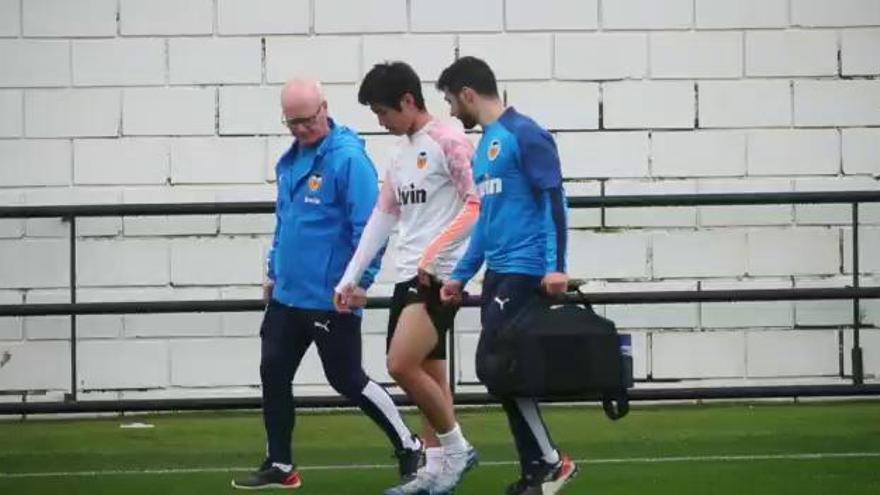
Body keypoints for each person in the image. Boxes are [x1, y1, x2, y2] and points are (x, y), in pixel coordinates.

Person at [232, 78, 422, 490]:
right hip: (288, 295)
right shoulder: (291, 160)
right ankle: (280, 464)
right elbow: (285, 221)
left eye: (308, 119)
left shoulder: (348, 160)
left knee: (347, 379)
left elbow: (371, 228)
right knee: (273, 372)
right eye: (293, 122)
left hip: (331, 296)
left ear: (325, 109)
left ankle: (410, 446)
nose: (302, 129)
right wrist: (272, 270)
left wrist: (360, 282)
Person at [334, 61, 480, 495]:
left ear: (408, 101)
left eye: (383, 112)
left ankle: (457, 449)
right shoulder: (401, 155)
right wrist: (350, 278)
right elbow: (383, 217)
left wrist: (436, 258)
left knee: (400, 364)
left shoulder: (449, 141)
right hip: (408, 274)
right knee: (431, 375)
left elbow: (477, 203)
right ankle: (434, 468)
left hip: (439, 276)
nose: (380, 122)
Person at [436, 57, 578, 495]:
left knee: (497, 366)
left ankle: (553, 463)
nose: (450, 111)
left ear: (467, 95)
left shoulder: (525, 134)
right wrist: (461, 274)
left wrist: (556, 267)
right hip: (498, 275)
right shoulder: (488, 147)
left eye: (449, 101)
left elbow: (554, 199)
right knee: (503, 371)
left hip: (525, 272)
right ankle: (537, 468)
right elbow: (488, 221)